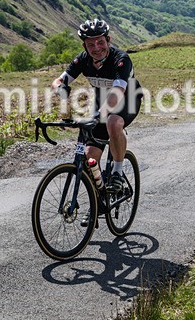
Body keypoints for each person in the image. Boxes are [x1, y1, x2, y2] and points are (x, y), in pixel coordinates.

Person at [50, 18, 143, 194]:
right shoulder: (82, 60)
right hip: (101, 103)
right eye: (90, 44)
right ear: (85, 46)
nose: (96, 48)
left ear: (108, 40)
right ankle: (97, 201)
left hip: (128, 100)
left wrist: (98, 115)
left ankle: (117, 173)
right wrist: (60, 89)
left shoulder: (121, 59)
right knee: (89, 156)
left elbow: (116, 94)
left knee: (113, 122)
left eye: (100, 42)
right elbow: (59, 80)